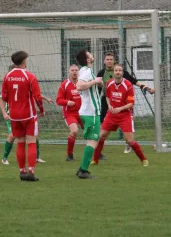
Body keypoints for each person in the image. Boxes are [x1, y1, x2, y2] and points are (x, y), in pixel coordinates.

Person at [96, 52, 154, 154]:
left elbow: (133, 80)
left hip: (123, 102)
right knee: (103, 127)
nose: (109, 61)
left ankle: (129, 143)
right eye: (107, 59)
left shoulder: (122, 72)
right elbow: (98, 90)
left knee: (126, 123)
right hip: (108, 101)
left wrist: (144, 86)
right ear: (104, 61)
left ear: (114, 61)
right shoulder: (101, 73)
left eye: (111, 59)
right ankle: (98, 151)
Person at [92, 63, 148, 167]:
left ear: (122, 72)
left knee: (130, 141)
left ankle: (143, 159)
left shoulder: (128, 85)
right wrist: (109, 105)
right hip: (111, 115)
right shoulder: (109, 83)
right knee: (101, 137)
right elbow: (107, 96)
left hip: (124, 115)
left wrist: (119, 109)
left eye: (120, 70)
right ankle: (95, 160)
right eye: (116, 70)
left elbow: (131, 103)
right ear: (113, 72)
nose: (118, 72)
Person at [0, 51, 43, 182]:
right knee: (31, 142)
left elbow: (4, 97)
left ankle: (22, 171)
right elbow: (38, 97)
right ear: (24, 61)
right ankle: (31, 172)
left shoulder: (7, 77)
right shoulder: (30, 76)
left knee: (20, 143)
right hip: (28, 115)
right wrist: (42, 110)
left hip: (14, 115)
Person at [75, 49, 103, 179]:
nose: (92, 54)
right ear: (87, 59)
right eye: (89, 53)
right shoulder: (86, 71)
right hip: (90, 112)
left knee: (93, 141)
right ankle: (83, 171)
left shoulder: (86, 70)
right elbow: (79, 86)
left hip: (91, 111)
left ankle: (82, 167)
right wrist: (95, 81)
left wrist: (97, 82)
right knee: (93, 141)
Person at [2, 94, 52, 165]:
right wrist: (4, 113)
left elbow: (35, 93)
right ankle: (4, 158)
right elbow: (1, 98)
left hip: (22, 114)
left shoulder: (24, 85)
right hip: (11, 115)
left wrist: (46, 98)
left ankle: (37, 157)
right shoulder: (9, 85)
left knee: (34, 134)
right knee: (12, 135)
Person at [56, 64, 83, 161]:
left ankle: (97, 153)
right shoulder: (64, 85)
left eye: (76, 70)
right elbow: (58, 100)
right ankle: (69, 154)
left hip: (83, 112)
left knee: (92, 131)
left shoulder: (82, 83)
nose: (75, 72)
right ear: (69, 72)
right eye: (72, 70)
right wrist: (67, 102)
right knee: (74, 131)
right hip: (70, 113)